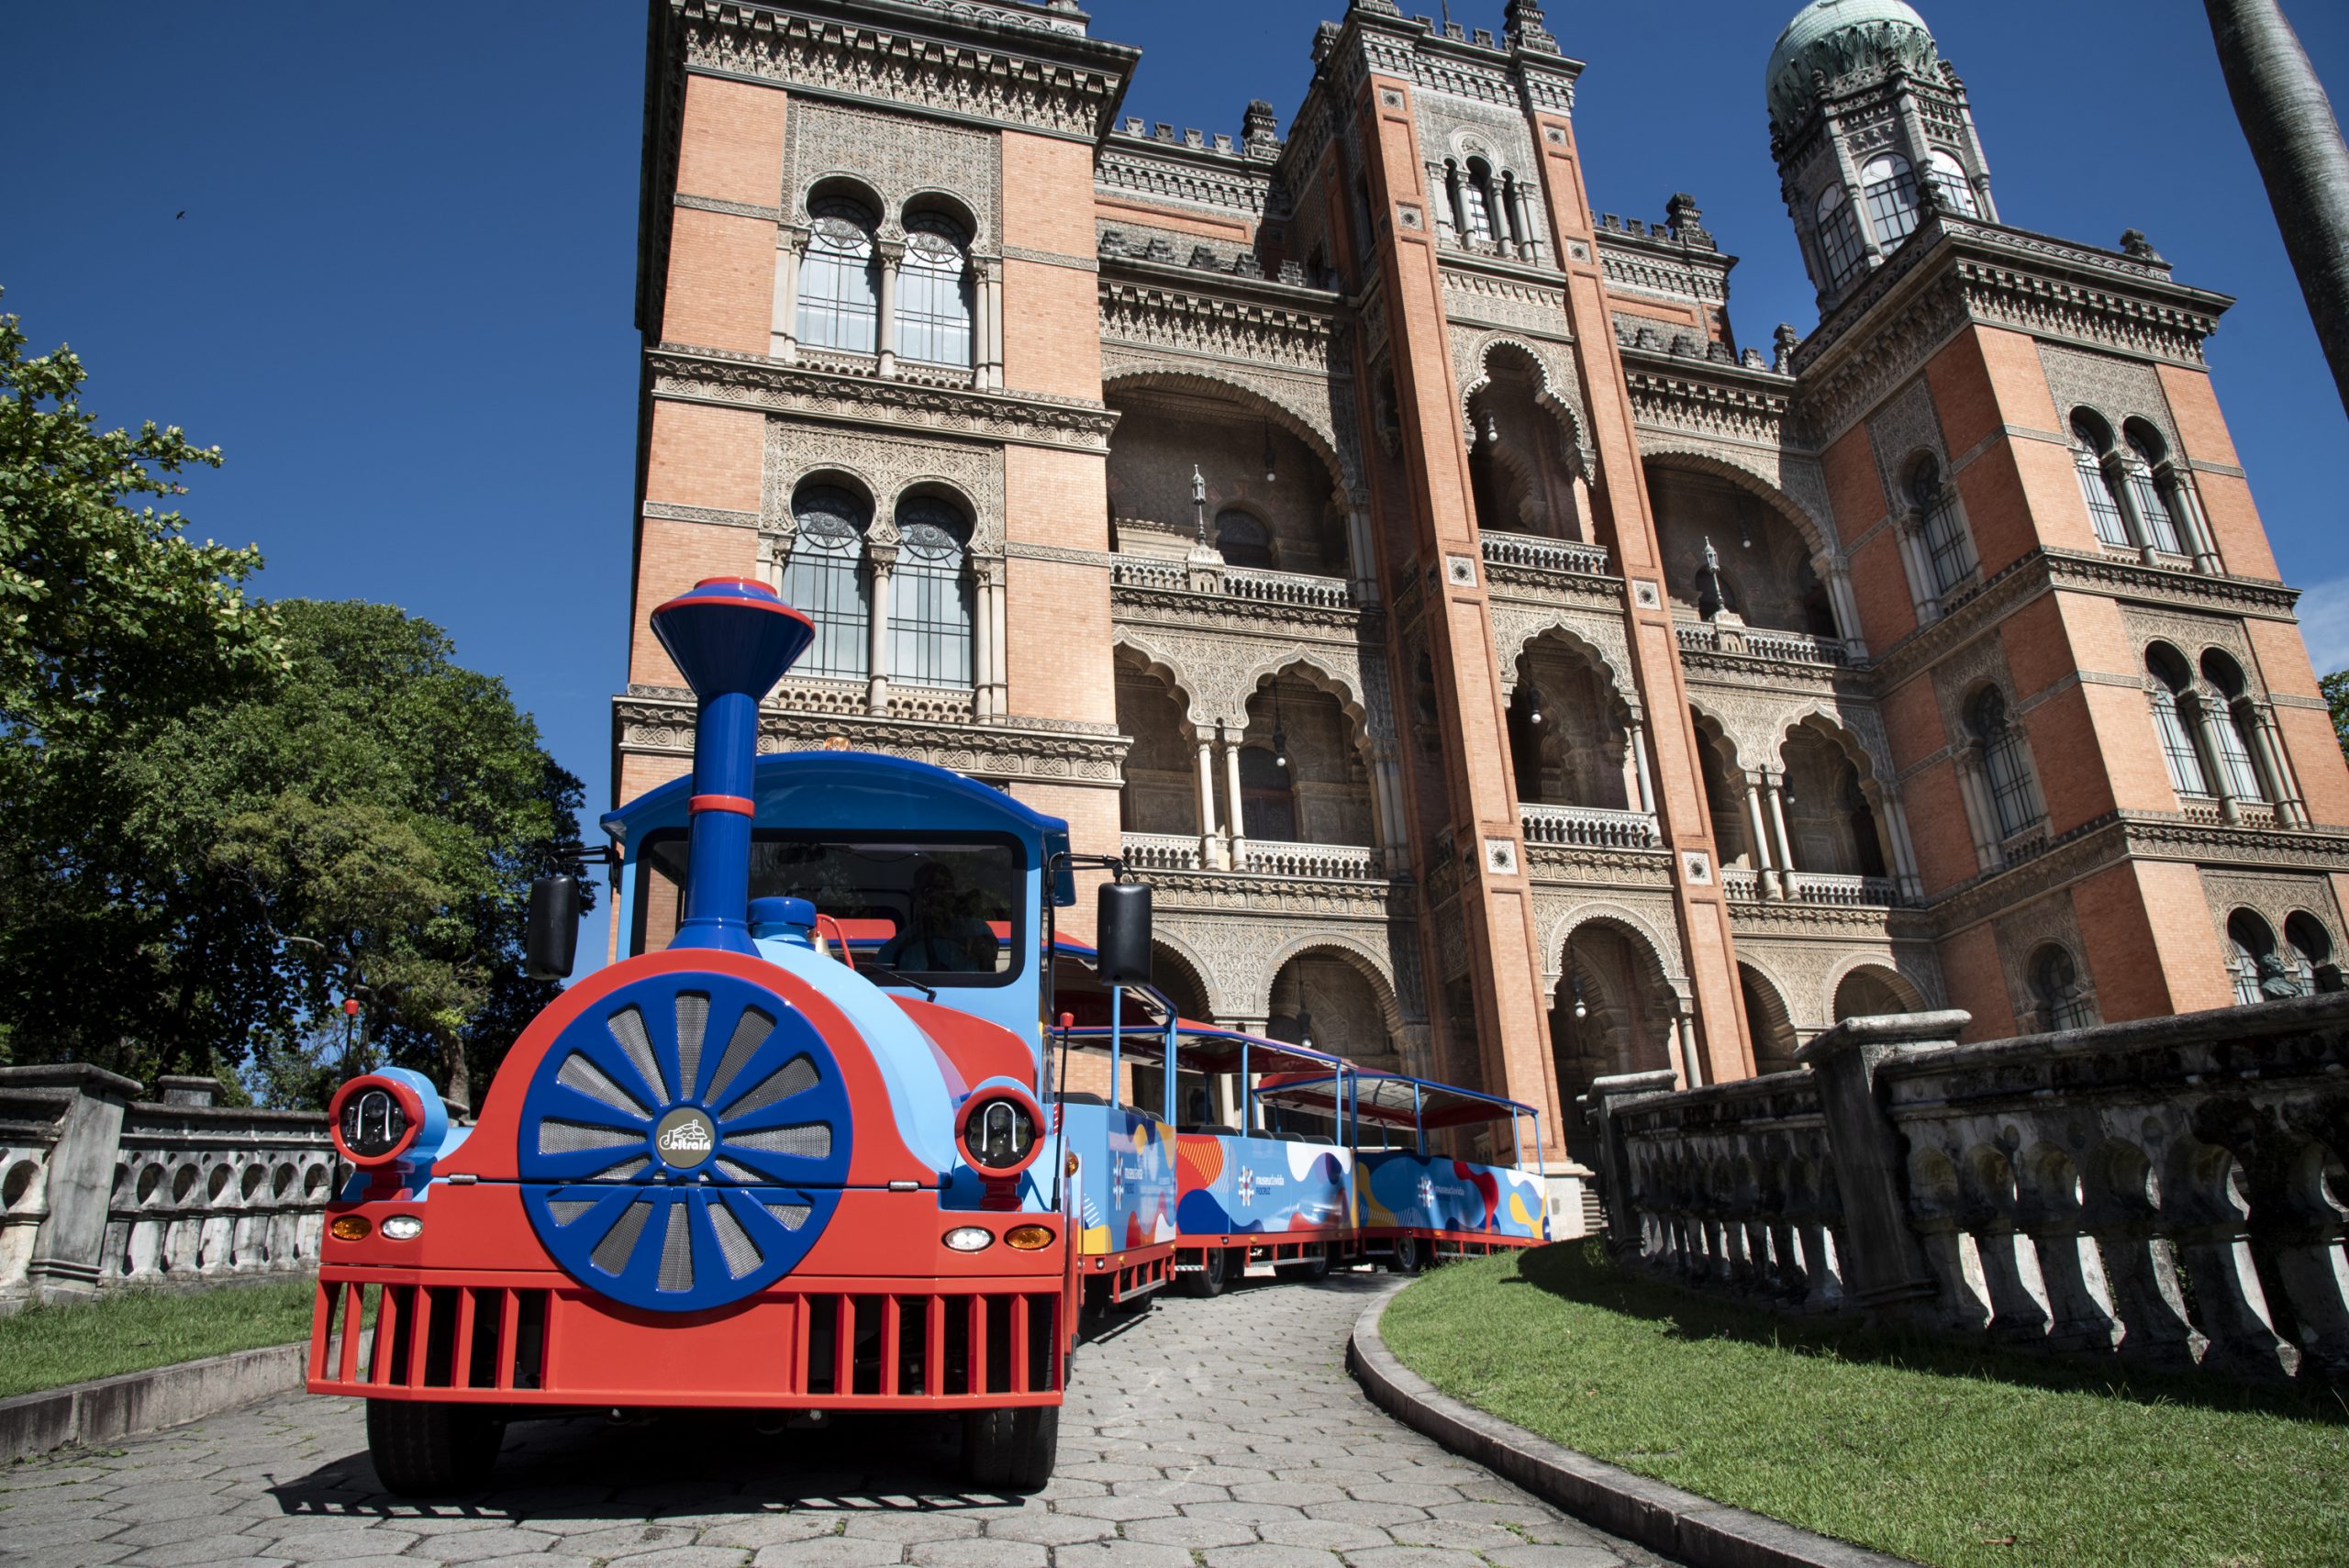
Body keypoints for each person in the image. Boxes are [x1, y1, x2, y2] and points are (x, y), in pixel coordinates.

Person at [878, 859, 999, 973]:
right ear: (915, 896)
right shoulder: (893, 949)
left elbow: (990, 958)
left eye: (944, 889)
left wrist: (980, 947)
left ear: (953, 894)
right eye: (929, 891)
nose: (937, 897)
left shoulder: (976, 930)